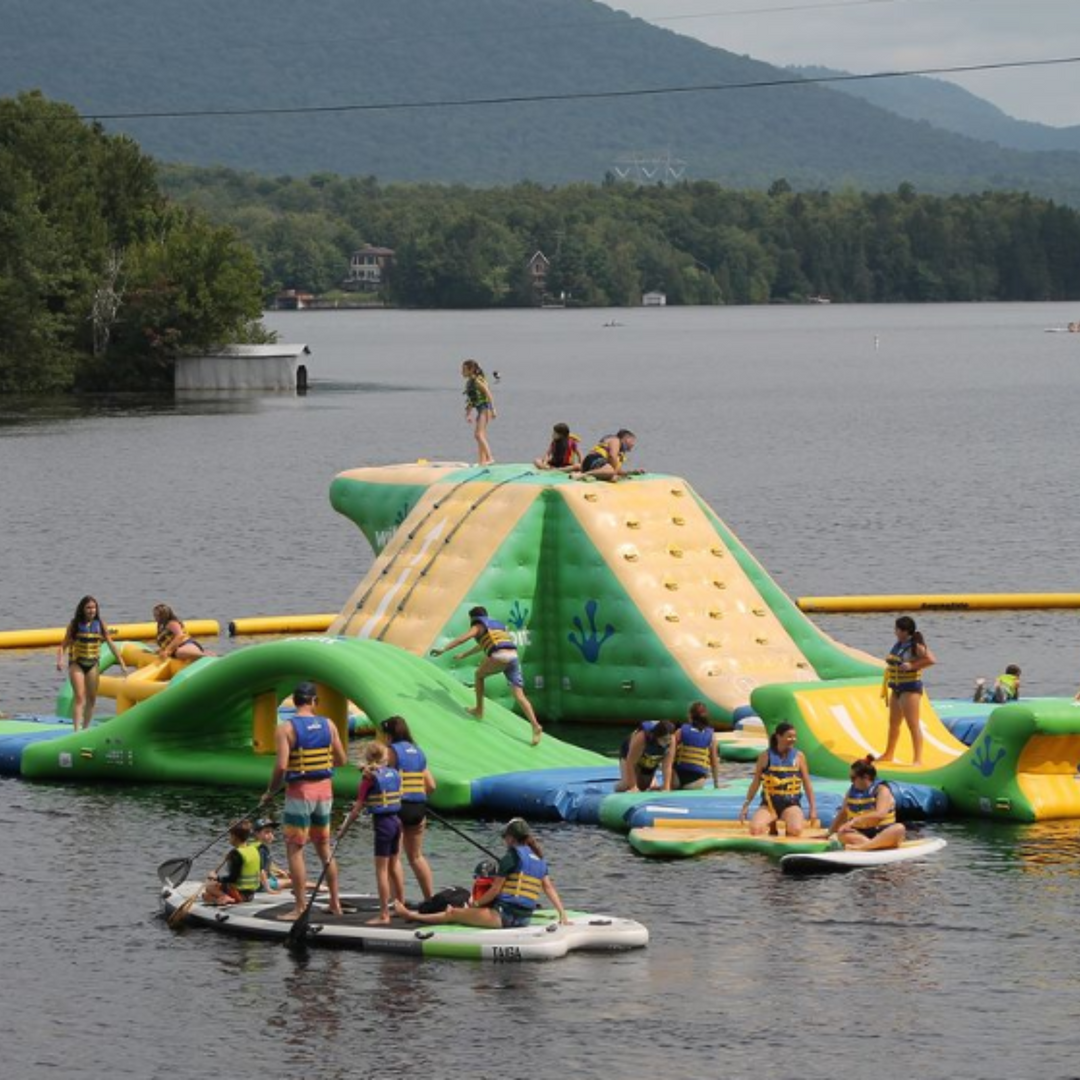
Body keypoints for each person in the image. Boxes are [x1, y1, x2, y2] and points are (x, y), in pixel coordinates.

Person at [263, 682, 348, 920]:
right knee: (324, 848)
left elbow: (281, 766)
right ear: (314, 702)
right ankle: (335, 903)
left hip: (300, 794)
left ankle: (300, 907)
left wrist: (270, 791)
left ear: (295, 701)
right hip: (325, 792)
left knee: (295, 848)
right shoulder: (329, 724)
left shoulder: (285, 728)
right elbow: (341, 760)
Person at [393, 817, 568, 929]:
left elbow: (495, 891)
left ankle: (409, 915)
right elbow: (549, 888)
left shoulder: (511, 857)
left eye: (505, 837)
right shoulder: (540, 858)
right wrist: (563, 914)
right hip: (524, 919)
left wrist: (474, 905)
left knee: (452, 913)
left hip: (503, 917)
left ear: (512, 838)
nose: (504, 840)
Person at [431, 606, 543, 745]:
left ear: (473, 618)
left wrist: (443, 649)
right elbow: (481, 646)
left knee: (478, 675)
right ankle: (535, 726)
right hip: (513, 657)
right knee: (519, 696)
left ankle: (479, 710)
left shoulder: (478, 625)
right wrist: (464, 655)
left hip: (500, 656)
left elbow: (462, 639)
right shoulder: (497, 626)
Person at [346, 741, 405, 925]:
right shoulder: (395, 773)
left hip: (383, 825)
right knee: (394, 867)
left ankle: (384, 914)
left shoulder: (368, 779)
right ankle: (400, 907)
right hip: (397, 823)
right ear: (385, 757)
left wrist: (344, 829)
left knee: (381, 871)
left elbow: (357, 808)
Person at [380, 715, 436, 901]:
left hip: (398, 808)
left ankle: (399, 903)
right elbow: (431, 786)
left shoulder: (390, 751)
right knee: (416, 856)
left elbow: (381, 777)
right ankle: (430, 900)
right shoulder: (419, 752)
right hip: (418, 809)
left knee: (393, 859)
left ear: (389, 735)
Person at [56, 595, 128, 731]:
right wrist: (60, 660)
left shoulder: (100, 624)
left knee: (92, 698)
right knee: (79, 696)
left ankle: (85, 729)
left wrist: (121, 662)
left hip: (93, 664)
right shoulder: (75, 625)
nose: (91, 610)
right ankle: (76, 730)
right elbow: (62, 646)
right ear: (82, 609)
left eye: (94, 607)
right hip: (77, 663)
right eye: (88, 608)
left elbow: (111, 644)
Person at [739, 722, 817, 837]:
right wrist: (746, 806)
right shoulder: (765, 756)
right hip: (769, 805)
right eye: (789, 736)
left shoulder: (799, 757)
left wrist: (813, 808)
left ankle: (780, 829)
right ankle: (772, 824)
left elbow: (807, 784)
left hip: (791, 804)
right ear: (778, 736)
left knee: (795, 830)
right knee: (755, 829)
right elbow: (755, 783)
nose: (793, 739)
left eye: (794, 736)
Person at [880, 615, 935, 766]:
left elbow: (931, 660)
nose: (895, 632)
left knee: (913, 724)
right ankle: (888, 753)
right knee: (894, 723)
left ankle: (917, 759)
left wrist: (911, 666)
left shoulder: (915, 645)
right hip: (896, 687)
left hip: (909, 689)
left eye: (897, 629)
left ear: (905, 631)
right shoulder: (899, 644)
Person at [828, 756, 906, 851]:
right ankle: (873, 845)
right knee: (842, 834)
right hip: (862, 834)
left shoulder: (882, 790)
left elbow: (880, 814)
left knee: (899, 828)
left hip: (882, 831)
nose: (851, 781)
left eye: (853, 778)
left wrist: (853, 821)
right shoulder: (852, 791)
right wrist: (830, 832)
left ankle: (864, 846)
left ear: (865, 777)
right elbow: (843, 813)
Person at [203, 820, 261, 905]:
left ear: (234, 837)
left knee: (209, 887)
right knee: (206, 896)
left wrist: (216, 877)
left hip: (239, 894)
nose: (229, 838)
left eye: (230, 835)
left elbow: (233, 878)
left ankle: (227, 898)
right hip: (250, 894)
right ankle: (220, 898)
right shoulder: (253, 849)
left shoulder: (237, 854)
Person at [616, 719, 676, 792]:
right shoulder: (642, 738)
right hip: (629, 755)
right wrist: (633, 786)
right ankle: (619, 785)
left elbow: (667, 765)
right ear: (657, 736)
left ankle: (652, 781)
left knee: (644, 787)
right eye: (664, 740)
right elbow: (630, 762)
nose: (667, 743)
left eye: (669, 740)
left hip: (649, 758)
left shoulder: (671, 740)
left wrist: (666, 787)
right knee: (626, 786)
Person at [671, 702, 720, 790]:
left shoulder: (680, 731)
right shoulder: (711, 736)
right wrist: (716, 784)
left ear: (690, 716)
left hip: (677, 777)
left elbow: (670, 756)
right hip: (696, 780)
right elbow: (714, 762)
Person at [462, 358, 496, 466]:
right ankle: (482, 461)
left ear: (471, 370)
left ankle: (490, 458)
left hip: (485, 409)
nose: (462, 372)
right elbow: (472, 400)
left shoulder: (477, 380)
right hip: (480, 409)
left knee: (478, 435)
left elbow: (488, 393)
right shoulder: (470, 382)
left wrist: (493, 409)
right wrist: (468, 413)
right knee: (481, 435)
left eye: (464, 369)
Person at [572, 429, 641, 482]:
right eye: (632, 441)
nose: (633, 445)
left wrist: (631, 472)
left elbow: (618, 470)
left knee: (612, 475)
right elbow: (612, 456)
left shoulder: (620, 454)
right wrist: (613, 474)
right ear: (627, 439)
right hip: (593, 459)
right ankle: (583, 475)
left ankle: (588, 474)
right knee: (611, 472)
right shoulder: (616, 440)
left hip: (593, 465)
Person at [252, 817, 290, 893]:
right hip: (262, 884)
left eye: (272, 832)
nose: (271, 835)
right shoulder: (261, 849)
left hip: (262, 880)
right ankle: (319, 888)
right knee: (293, 881)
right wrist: (268, 889)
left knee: (290, 874)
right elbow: (261, 871)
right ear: (256, 834)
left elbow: (268, 865)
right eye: (267, 832)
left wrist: (280, 871)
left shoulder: (255, 846)